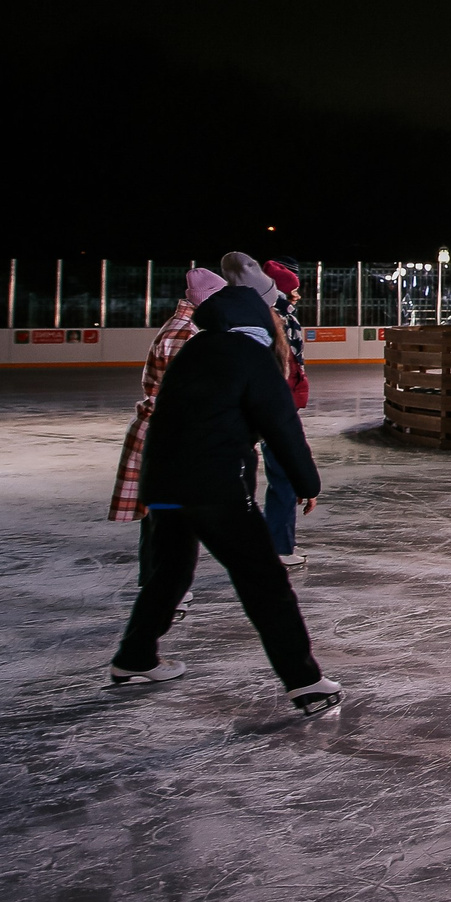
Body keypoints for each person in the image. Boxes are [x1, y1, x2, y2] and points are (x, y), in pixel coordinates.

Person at [109, 282, 342, 715]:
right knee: (265, 583)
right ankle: (306, 682)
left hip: (162, 485)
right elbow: (282, 427)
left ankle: (133, 658)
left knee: (169, 573)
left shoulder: (193, 351)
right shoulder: (252, 357)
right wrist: (307, 484)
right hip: (214, 489)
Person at [113, 268, 225, 619]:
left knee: (164, 517)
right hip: (170, 434)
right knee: (171, 520)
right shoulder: (186, 334)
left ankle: (159, 585)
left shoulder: (186, 328)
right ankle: (163, 590)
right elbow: (186, 395)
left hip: (167, 432)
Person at [257, 259, 313, 571]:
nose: (298, 296)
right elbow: (286, 366)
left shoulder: (273, 315)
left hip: (277, 404)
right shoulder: (279, 320)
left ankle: (276, 540)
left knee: (280, 474)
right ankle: (279, 545)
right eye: (293, 290)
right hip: (278, 406)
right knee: (284, 473)